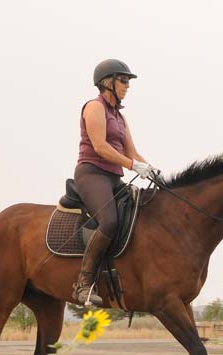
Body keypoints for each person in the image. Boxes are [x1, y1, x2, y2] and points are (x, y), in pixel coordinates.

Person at [72, 59, 154, 306]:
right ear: (107, 82)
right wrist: (132, 166)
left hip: (113, 177)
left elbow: (131, 151)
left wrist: (150, 168)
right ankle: (83, 284)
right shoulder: (94, 108)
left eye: (128, 82)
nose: (128, 86)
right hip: (92, 174)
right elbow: (100, 146)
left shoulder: (119, 116)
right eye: (124, 81)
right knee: (109, 221)